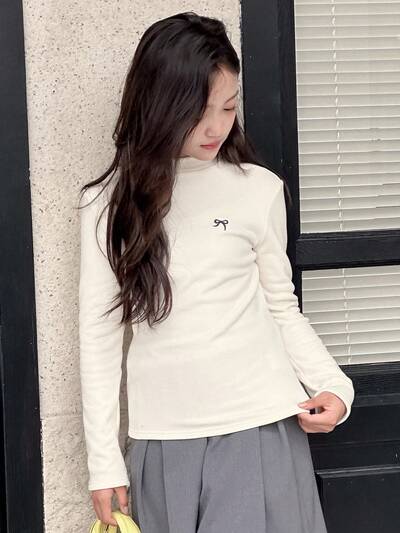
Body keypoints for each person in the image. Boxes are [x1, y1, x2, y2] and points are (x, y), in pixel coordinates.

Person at [77, 11, 355, 532]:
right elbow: (98, 336)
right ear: (159, 106)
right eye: (197, 112)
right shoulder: (107, 205)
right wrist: (103, 462)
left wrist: (334, 385)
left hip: (261, 430)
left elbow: (280, 307)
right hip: (164, 442)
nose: (215, 128)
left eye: (228, 107)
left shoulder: (257, 189)